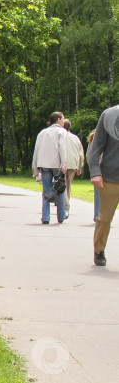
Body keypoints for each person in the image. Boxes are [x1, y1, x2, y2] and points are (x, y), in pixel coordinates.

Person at [88, 106, 119, 266]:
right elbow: (96, 146)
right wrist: (95, 172)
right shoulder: (109, 115)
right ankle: (99, 250)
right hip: (110, 177)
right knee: (105, 218)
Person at [31, 112, 68, 224]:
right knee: (60, 189)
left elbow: (36, 150)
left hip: (44, 164)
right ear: (58, 119)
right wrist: (64, 163)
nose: (64, 121)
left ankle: (46, 217)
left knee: (46, 189)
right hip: (57, 164)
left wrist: (35, 168)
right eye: (63, 119)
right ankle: (61, 216)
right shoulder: (62, 131)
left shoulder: (42, 133)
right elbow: (62, 148)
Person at [62, 119, 84, 213]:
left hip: (62, 164)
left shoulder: (60, 137)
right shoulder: (75, 138)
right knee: (68, 185)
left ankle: (65, 206)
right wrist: (80, 166)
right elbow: (81, 153)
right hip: (73, 164)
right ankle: (66, 203)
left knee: (62, 185)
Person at [87, 128, 100, 222]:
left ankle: (97, 215)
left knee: (98, 194)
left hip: (98, 168)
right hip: (106, 169)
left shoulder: (94, 136)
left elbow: (89, 155)